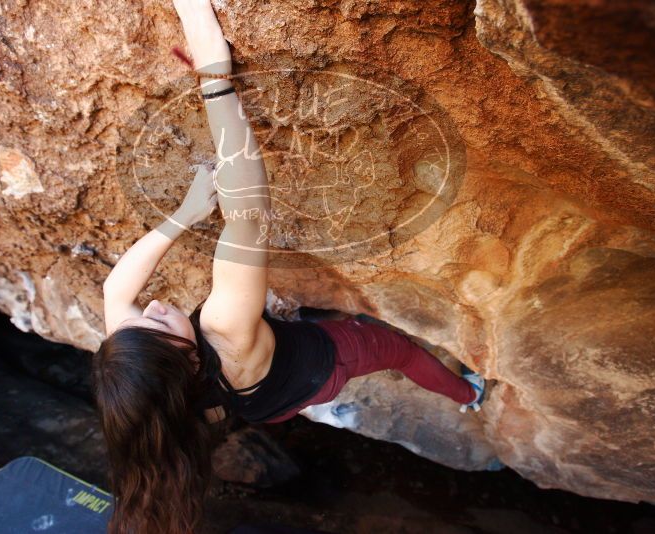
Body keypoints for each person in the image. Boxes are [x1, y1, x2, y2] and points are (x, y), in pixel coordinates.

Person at [91, 1, 485, 533]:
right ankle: (469, 395)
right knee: (395, 348)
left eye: (144, 318)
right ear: (184, 364)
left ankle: (298, 340)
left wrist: (185, 213)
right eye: (159, 322)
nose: (154, 306)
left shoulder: (150, 379)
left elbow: (117, 293)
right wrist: (216, 84)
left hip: (267, 405)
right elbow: (248, 213)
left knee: (277, 333)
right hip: (323, 369)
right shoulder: (222, 329)